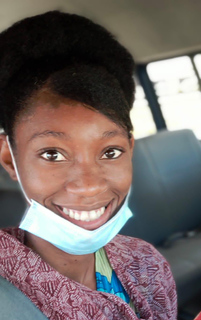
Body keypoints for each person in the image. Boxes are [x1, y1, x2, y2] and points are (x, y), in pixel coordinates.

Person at [0, 11, 177, 319]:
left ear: (130, 149)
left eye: (110, 152)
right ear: (8, 159)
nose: (90, 184)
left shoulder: (148, 264)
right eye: (52, 154)